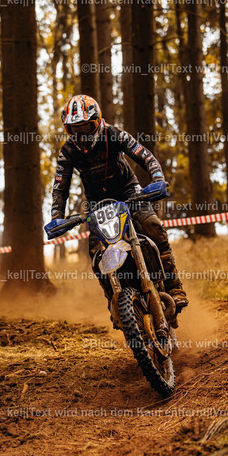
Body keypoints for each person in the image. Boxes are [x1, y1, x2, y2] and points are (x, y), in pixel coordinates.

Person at [50, 94, 189, 310]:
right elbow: (60, 186)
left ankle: (174, 287)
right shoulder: (68, 151)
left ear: (97, 122)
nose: (81, 134)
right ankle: (115, 303)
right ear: (68, 130)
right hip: (98, 202)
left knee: (153, 226)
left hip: (128, 191)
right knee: (96, 252)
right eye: (75, 129)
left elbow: (145, 156)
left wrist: (157, 179)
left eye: (86, 127)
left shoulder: (114, 134)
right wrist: (56, 217)